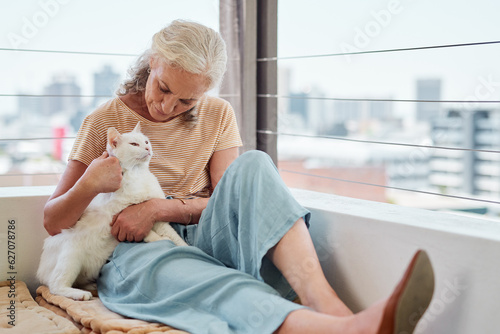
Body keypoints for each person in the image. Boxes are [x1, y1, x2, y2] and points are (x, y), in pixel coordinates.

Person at [42, 20, 435, 334]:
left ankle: (327, 305)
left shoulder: (217, 115)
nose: (167, 106)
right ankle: (340, 331)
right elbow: (53, 220)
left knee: (255, 164)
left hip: (201, 231)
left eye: (186, 101)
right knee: (202, 278)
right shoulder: (104, 123)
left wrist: (162, 207)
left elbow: (227, 198)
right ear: (153, 60)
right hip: (134, 248)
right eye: (163, 88)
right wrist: (91, 183)